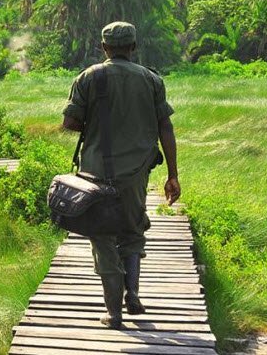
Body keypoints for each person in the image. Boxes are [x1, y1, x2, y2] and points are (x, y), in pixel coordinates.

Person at [60, 21, 181, 329]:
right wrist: (173, 174)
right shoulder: (152, 80)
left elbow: (70, 123)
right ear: (133, 47)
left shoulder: (89, 77)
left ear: (104, 48)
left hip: (97, 172)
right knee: (132, 229)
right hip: (137, 174)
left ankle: (113, 313)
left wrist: (97, 121)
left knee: (102, 237)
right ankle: (134, 294)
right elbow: (165, 127)